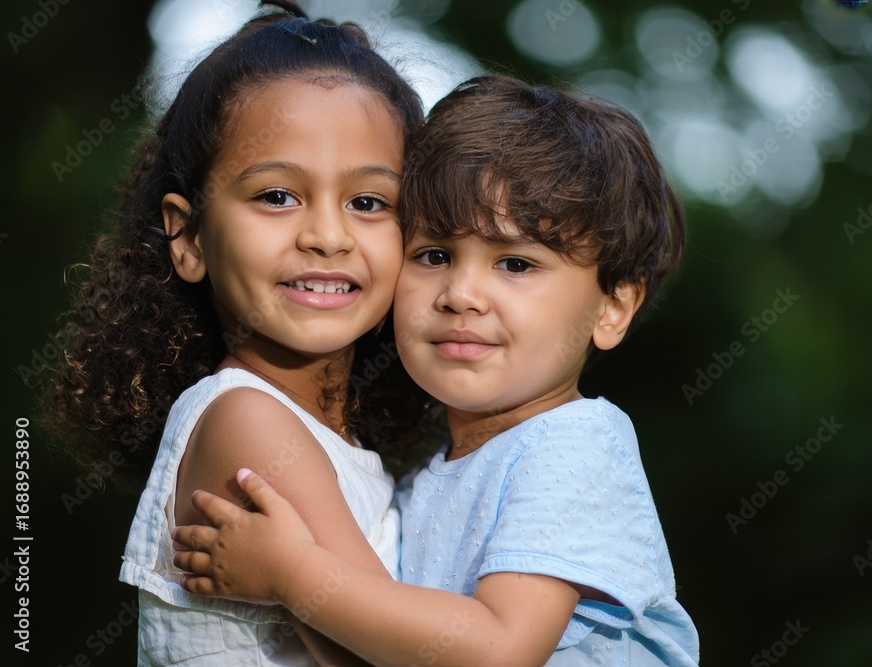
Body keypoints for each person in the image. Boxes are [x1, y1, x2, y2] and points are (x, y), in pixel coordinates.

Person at [173, 75, 700, 666]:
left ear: (613, 309)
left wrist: (293, 575)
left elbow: (500, 651)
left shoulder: (574, 447)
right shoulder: (434, 474)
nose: (460, 294)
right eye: (434, 255)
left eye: (516, 263)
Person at [42, 1, 430, 664]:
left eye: (368, 202)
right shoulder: (247, 422)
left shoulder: (324, 435)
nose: (327, 236)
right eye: (277, 196)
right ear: (189, 238)